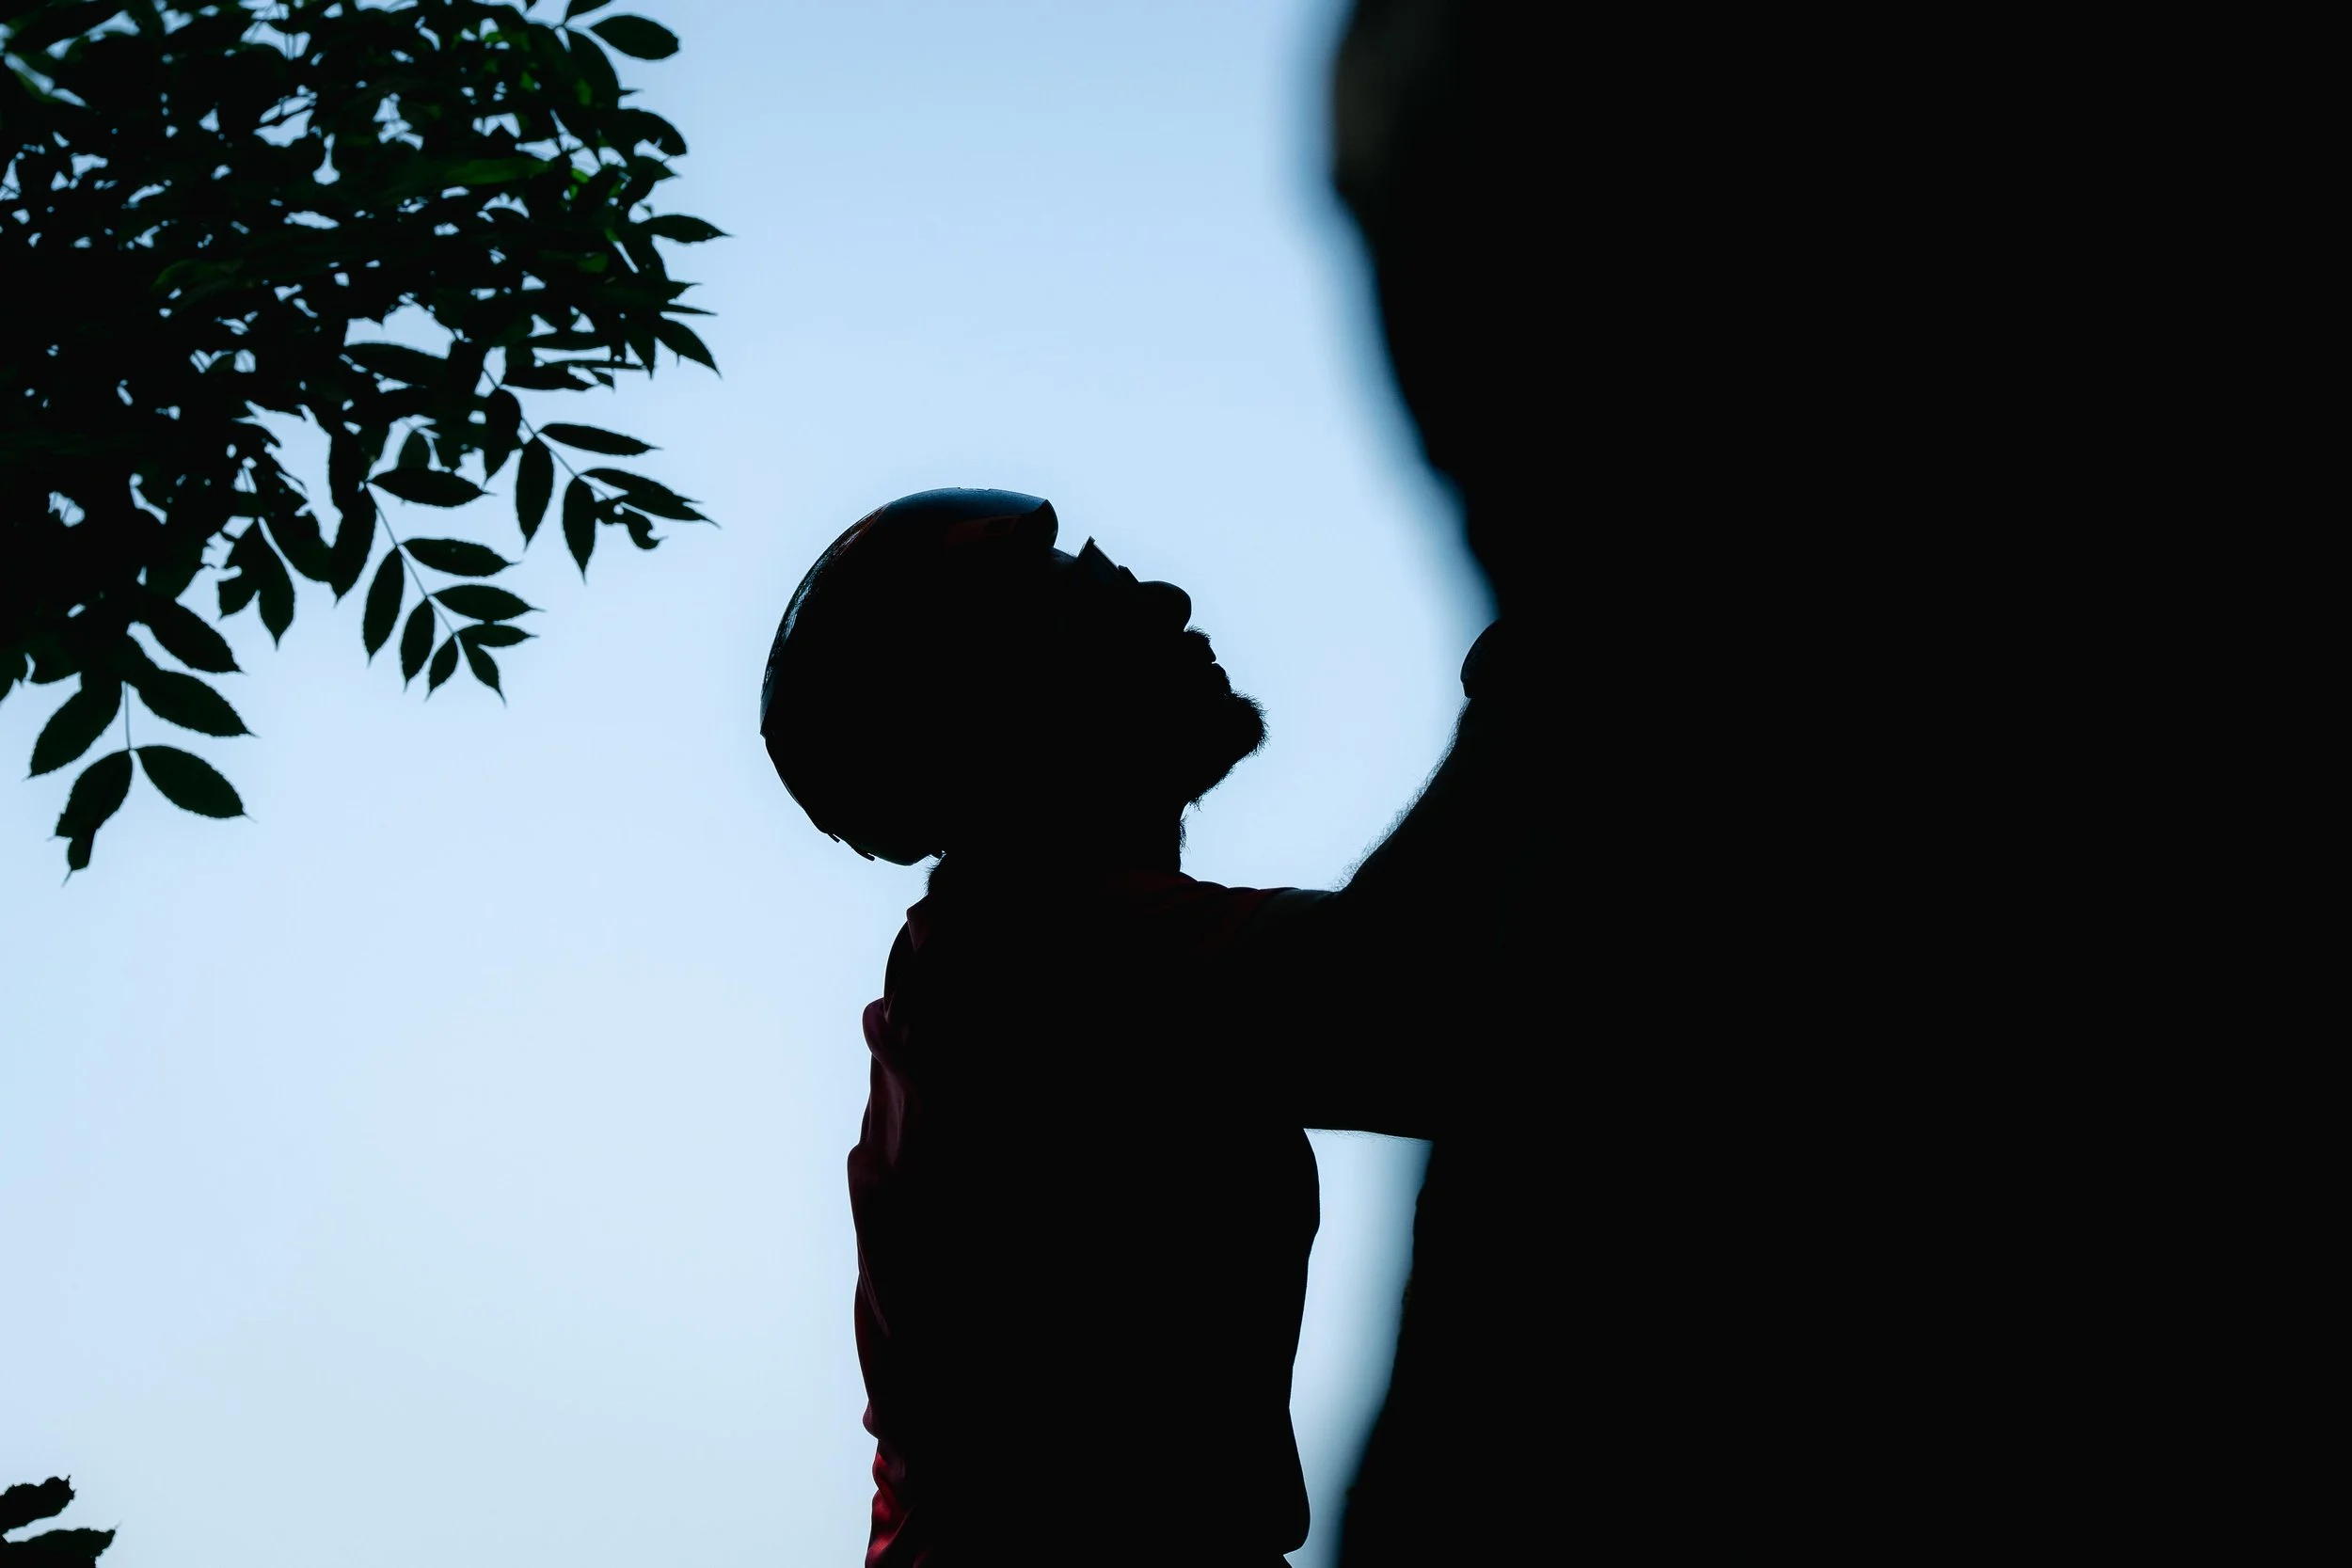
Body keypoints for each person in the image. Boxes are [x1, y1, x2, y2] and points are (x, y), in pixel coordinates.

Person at [759, 487, 1516, 1566]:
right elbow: (1409, 1003)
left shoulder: (987, 966)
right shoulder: (1028, 961)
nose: (1167, 597)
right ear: (1003, 711)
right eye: (1099, 602)